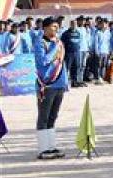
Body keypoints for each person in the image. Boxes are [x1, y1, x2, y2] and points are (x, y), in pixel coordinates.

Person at [34, 17, 68, 160]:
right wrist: (55, 47)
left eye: (57, 27)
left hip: (59, 83)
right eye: (53, 27)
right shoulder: (40, 43)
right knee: (44, 116)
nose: (56, 29)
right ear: (46, 28)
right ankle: (43, 149)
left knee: (53, 116)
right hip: (46, 84)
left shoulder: (59, 43)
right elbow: (43, 61)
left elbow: (61, 62)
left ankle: (51, 146)